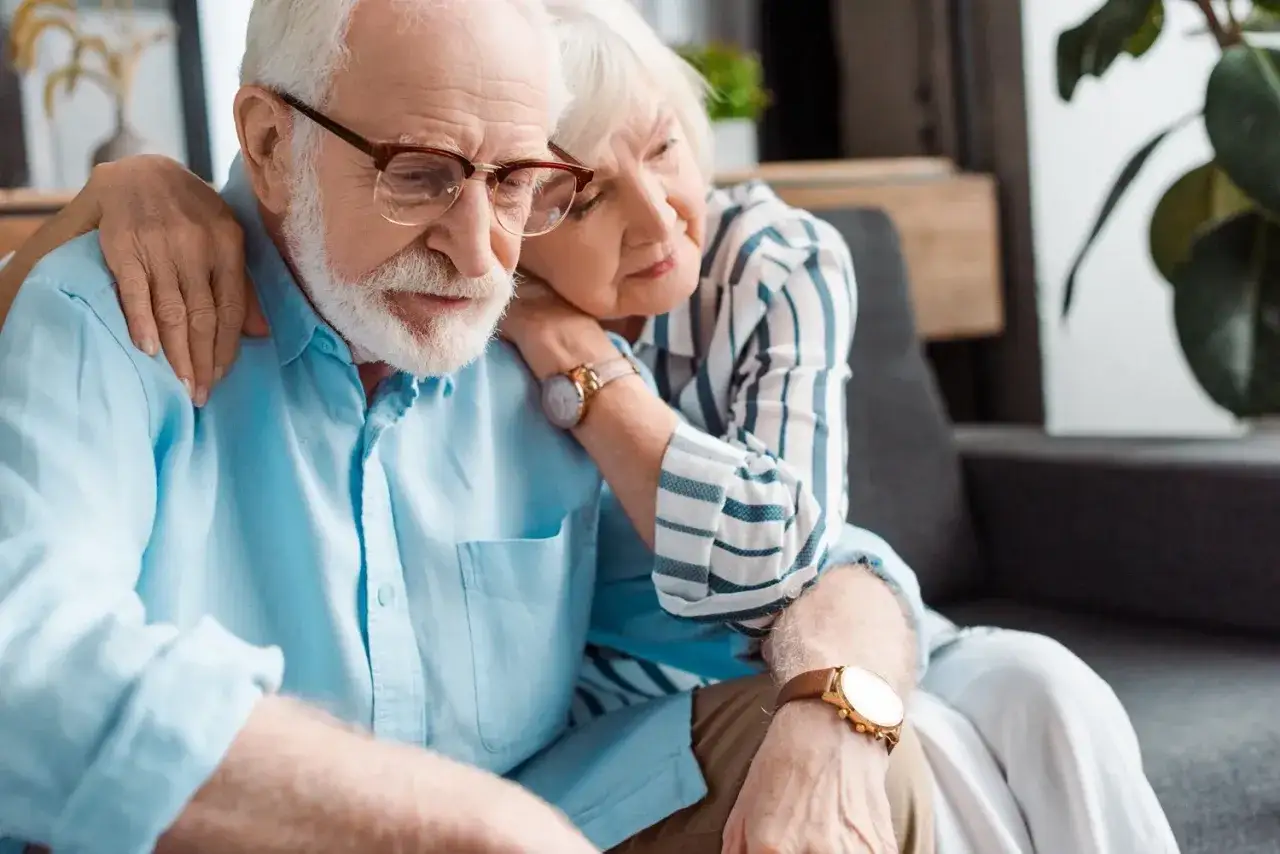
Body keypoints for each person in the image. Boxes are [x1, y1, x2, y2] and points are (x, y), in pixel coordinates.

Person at [0, 1, 940, 853]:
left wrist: (835, 721)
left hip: (546, 815)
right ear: (271, 142)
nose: (482, 248)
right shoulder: (115, 308)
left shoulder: (518, 340)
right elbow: (24, 665)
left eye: (521, 181)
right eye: (420, 176)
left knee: (854, 747)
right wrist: (462, 827)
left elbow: (829, 580)